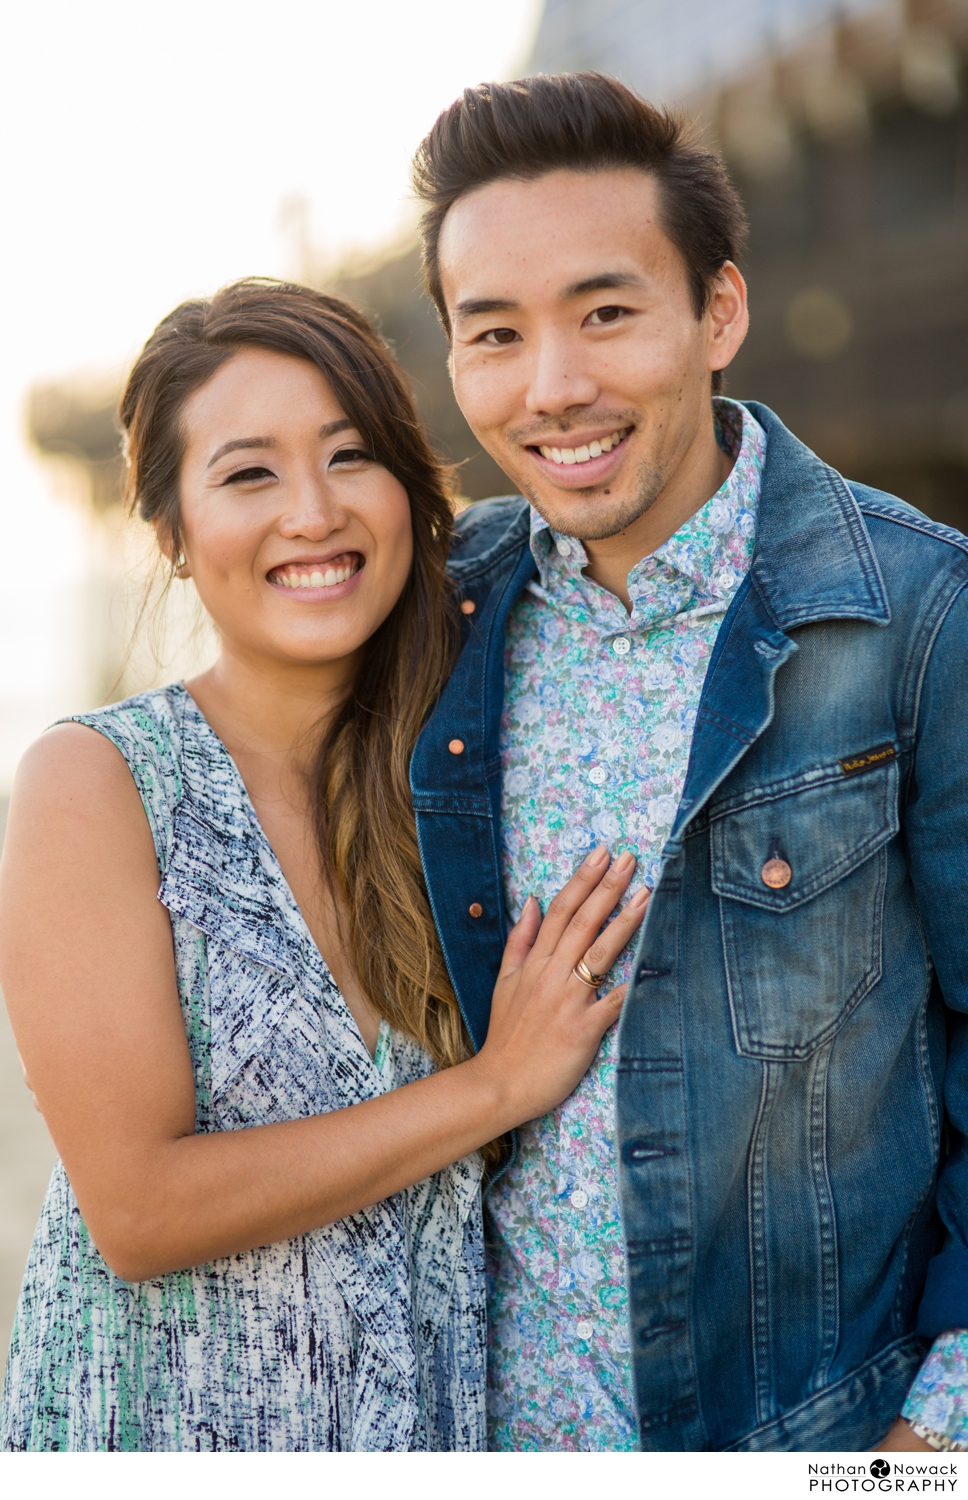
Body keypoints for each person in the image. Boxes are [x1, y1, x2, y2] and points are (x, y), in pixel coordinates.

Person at [405, 73, 968, 1452]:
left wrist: (932, 1447)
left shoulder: (919, 616)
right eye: (496, 335)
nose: (555, 389)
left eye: (606, 313)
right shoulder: (439, 615)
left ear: (719, 311)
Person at [0, 279, 648, 1452]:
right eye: (248, 473)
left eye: (351, 457)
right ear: (172, 533)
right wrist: (493, 1088)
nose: (313, 512)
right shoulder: (97, 784)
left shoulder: (471, 773)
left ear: (408, 486)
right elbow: (139, 1208)